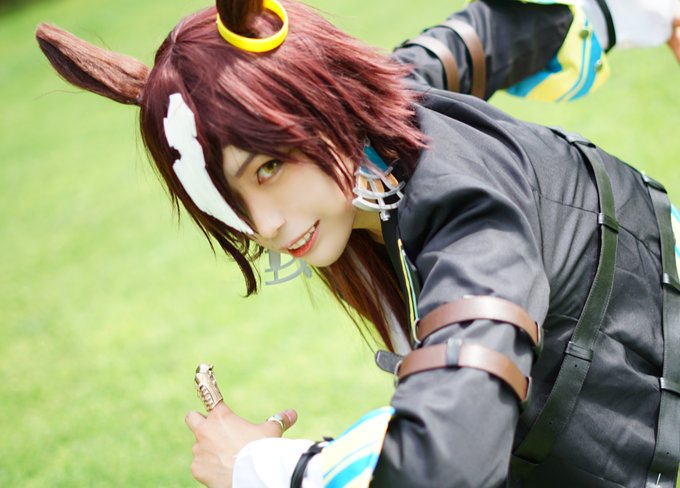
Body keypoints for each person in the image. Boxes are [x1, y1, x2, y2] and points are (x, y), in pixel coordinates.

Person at [35, 0, 680, 487]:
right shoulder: (381, 110)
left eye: (268, 167)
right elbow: (491, 35)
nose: (266, 226)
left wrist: (267, 467)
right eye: (230, 199)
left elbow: (445, 463)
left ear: (315, 103)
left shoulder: (471, 219)